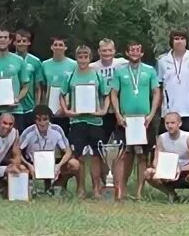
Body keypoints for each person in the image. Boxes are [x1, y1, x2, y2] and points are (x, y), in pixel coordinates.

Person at [110, 41, 161, 200]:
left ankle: (139, 192)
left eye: (138, 50)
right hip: (126, 120)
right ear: (126, 53)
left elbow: (156, 93)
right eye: (132, 50)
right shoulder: (119, 71)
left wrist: (152, 115)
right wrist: (118, 115)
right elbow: (113, 93)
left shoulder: (150, 70)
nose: (135, 53)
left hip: (144, 120)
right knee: (124, 155)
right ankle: (121, 189)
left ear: (142, 53)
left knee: (142, 156)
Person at [60, 45, 110, 199]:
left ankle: (96, 189)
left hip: (95, 121)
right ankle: (80, 189)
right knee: (79, 157)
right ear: (76, 57)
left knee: (96, 156)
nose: (82, 59)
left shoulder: (96, 75)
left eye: (85, 56)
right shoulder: (70, 76)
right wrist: (66, 111)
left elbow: (106, 94)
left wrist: (103, 110)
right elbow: (61, 95)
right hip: (77, 121)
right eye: (80, 56)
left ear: (90, 57)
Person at [144, 112, 189, 202]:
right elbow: (156, 160)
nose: (169, 126)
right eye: (167, 123)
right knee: (148, 173)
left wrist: (179, 169)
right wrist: (161, 171)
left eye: (172, 123)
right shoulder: (161, 138)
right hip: (168, 172)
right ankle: (170, 193)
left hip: (185, 172)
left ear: (179, 124)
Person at [19, 105, 80, 194]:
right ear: (34, 120)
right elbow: (17, 151)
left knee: (75, 164)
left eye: (45, 119)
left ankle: (57, 184)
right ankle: (29, 187)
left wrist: (59, 165)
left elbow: (68, 151)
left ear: (50, 119)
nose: (42, 123)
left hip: (53, 164)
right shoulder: (29, 132)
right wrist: (28, 165)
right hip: (33, 164)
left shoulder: (57, 130)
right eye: (38, 119)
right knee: (20, 167)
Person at [157, 30, 189, 143]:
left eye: (182, 39)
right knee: (168, 148)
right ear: (171, 41)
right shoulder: (162, 60)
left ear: (186, 41)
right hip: (169, 113)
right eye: (176, 38)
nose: (179, 41)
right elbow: (159, 87)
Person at [0, 27, 30, 130]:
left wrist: (17, 98)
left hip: (15, 111)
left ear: (10, 40)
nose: (2, 40)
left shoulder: (19, 60)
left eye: (5, 37)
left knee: (16, 143)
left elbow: (25, 86)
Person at [90, 38, 128, 142]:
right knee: (102, 139)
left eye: (110, 50)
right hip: (102, 108)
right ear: (99, 51)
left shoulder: (123, 63)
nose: (107, 53)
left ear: (114, 51)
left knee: (123, 141)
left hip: (120, 107)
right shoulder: (92, 67)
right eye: (104, 50)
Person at [42, 37, 77, 137]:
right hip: (49, 103)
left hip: (67, 104)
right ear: (51, 47)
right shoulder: (45, 64)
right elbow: (43, 87)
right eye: (55, 45)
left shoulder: (73, 64)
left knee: (64, 135)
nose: (58, 47)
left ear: (65, 48)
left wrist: (66, 106)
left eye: (61, 45)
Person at [14, 29, 45, 130]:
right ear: (14, 43)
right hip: (12, 106)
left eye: (24, 41)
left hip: (29, 107)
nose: (21, 43)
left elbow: (38, 87)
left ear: (29, 42)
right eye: (18, 41)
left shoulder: (35, 62)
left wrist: (37, 107)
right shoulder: (11, 59)